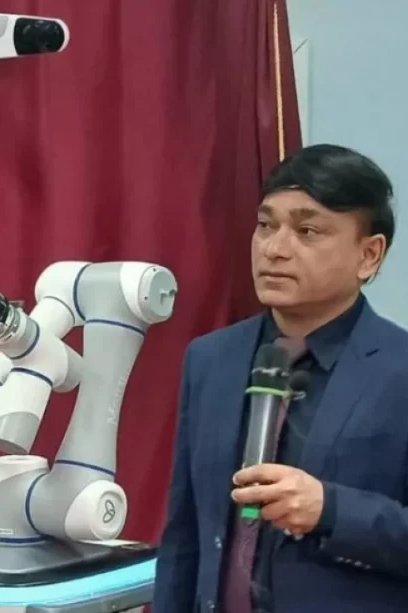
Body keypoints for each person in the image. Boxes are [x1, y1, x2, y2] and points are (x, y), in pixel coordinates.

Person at [152, 144, 408, 613]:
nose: (274, 249)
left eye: (307, 231)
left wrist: (331, 510)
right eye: (266, 225)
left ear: (369, 255)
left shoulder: (399, 369)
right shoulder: (210, 359)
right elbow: (185, 534)